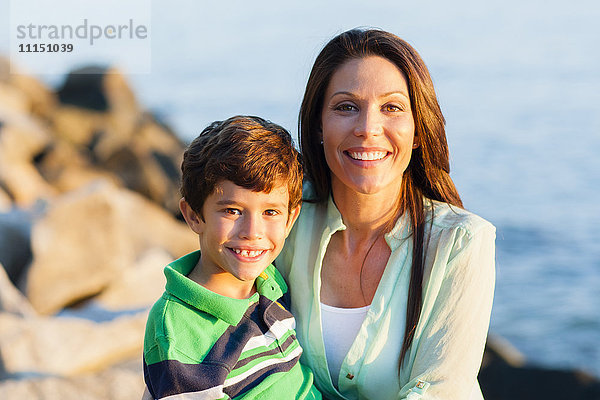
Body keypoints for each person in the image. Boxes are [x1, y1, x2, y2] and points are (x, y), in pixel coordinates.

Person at [276, 29, 496, 399]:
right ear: (318, 125)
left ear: (417, 131)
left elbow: (442, 390)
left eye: (391, 107)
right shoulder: (284, 217)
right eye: (346, 107)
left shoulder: (461, 243)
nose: (367, 129)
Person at [142, 116, 321, 399]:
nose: (253, 232)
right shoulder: (177, 328)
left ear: (290, 219)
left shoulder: (268, 279)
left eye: (270, 212)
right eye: (232, 211)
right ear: (193, 215)